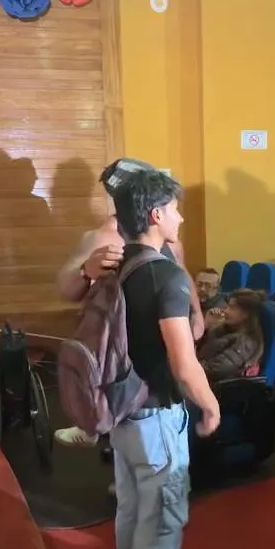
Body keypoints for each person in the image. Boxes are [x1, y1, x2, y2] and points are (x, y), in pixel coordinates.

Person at [106, 168, 220, 549]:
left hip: (122, 410)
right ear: (156, 215)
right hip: (156, 418)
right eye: (175, 209)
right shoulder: (165, 275)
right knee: (161, 525)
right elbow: (184, 363)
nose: (180, 217)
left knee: (133, 512)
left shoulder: (117, 266)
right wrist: (210, 407)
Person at [52, 158, 204, 449]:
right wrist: (86, 270)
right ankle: (100, 432)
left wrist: (196, 313)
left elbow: (182, 272)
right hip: (126, 345)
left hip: (166, 337)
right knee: (134, 417)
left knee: (167, 410)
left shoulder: (168, 235)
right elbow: (67, 289)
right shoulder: (101, 237)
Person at [196, 288, 264, 382]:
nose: (226, 311)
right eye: (227, 306)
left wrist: (190, 365)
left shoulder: (245, 342)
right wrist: (206, 325)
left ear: (246, 314)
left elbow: (216, 370)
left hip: (211, 385)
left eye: (232, 308)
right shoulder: (222, 329)